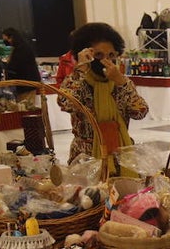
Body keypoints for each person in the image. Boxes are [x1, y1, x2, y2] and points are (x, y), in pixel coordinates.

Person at [57, 21, 148, 167]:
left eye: (111, 55)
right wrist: (81, 69)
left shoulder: (121, 82)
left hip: (121, 155)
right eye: (98, 55)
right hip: (86, 158)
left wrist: (121, 82)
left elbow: (140, 112)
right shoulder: (79, 81)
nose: (106, 60)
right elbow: (65, 103)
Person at [2, 27, 42, 104]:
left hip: (26, 85)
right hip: (24, 85)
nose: (6, 41)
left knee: (26, 108)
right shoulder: (21, 47)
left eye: (6, 38)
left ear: (11, 37)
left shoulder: (21, 49)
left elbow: (16, 66)